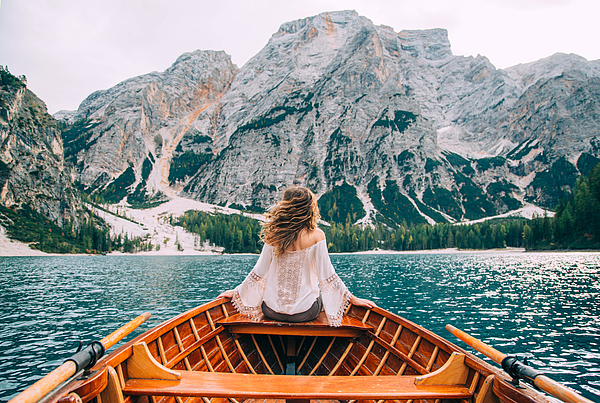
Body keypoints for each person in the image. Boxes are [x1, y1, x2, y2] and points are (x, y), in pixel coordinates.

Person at [218, 186, 376, 327]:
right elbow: (328, 276)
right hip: (305, 313)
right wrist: (352, 299)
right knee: (319, 293)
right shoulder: (317, 235)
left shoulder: (273, 235)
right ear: (309, 208)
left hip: (271, 311)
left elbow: (258, 272)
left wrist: (237, 292)